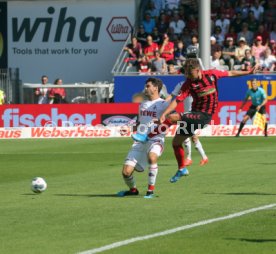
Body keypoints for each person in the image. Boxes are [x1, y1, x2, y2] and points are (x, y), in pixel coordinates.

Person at [132, 58, 257, 183]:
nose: (189, 77)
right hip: (193, 115)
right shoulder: (188, 84)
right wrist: (164, 113)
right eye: (187, 74)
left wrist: (248, 72)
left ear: (198, 70)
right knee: (176, 143)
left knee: (172, 118)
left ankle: (147, 137)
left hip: (204, 116)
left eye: (191, 74)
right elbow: (177, 100)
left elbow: (230, 73)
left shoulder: (212, 75)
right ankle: (182, 169)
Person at [118, 77, 169, 198]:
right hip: (140, 140)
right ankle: (133, 190)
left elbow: (171, 121)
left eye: (148, 86)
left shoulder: (164, 104)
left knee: (152, 157)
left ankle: (150, 191)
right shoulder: (143, 104)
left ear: (155, 88)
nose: (145, 88)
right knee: (126, 172)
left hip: (156, 139)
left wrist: (160, 122)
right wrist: (129, 129)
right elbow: (139, 123)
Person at [165, 81, 208, 167]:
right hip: (186, 115)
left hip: (196, 115)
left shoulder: (200, 84)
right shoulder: (181, 84)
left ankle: (192, 158)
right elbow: (172, 95)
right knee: (189, 136)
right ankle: (201, 157)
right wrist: (162, 103)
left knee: (191, 137)